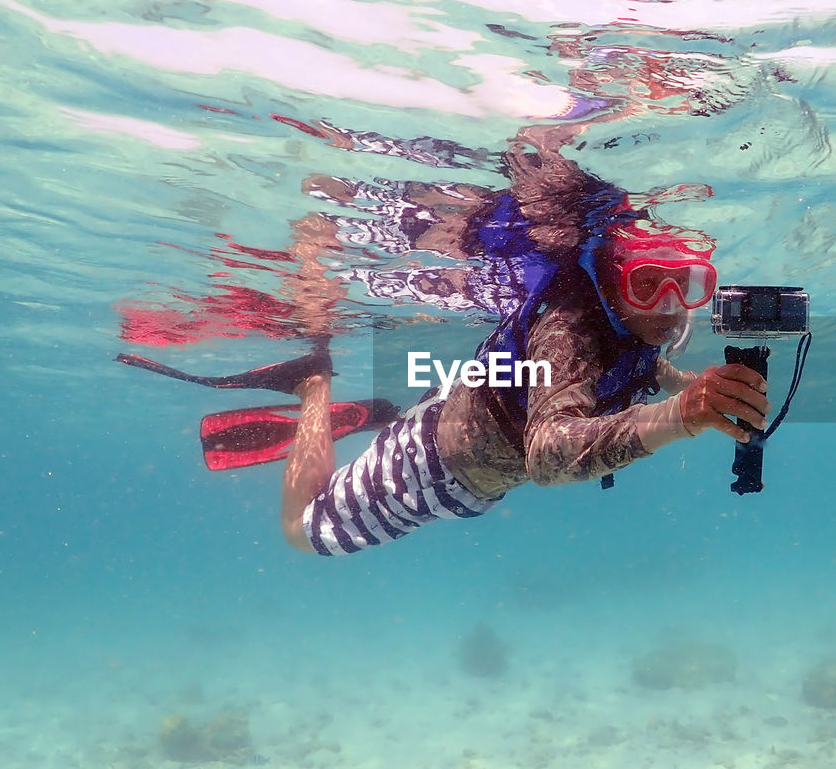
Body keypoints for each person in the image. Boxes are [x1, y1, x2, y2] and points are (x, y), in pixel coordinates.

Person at [272, 134, 771, 557]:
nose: (668, 306)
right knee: (303, 530)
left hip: (475, 426)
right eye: (647, 285)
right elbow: (547, 454)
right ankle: (314, 380)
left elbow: (631, 363)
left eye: (686, 284)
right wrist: (681, 413)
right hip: (432, 468)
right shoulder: (569, 331)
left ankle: (387, 418)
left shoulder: (625, 322)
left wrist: (682, 382)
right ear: (616, 283)